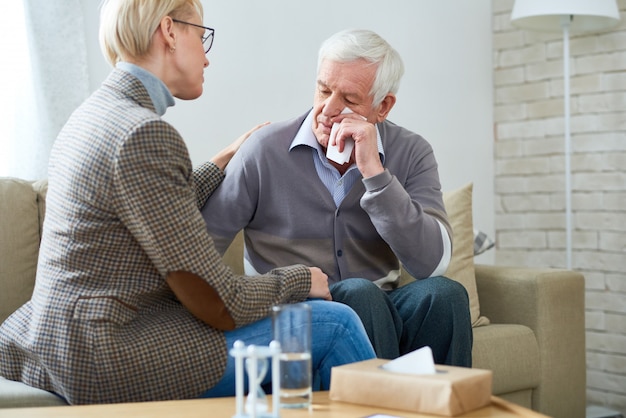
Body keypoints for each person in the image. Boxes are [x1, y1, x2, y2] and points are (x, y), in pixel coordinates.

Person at [0, 1, 375, 405]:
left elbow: (147, 208)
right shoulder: (144, 134)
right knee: (334, 324)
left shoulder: (93, 116)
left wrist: (219, 163)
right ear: (170, 31)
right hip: (106, 354)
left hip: (52, 341)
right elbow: (218, 300)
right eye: (202, 36)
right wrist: (302, 279)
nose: (207, 58)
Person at [201, 29, 473, 365]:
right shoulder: (264, 150)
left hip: (381, 303)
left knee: (444, 296)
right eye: (323, 90)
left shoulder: (412, 151)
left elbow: (433, 264)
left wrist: (376, 174)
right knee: (359, 294)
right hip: (296, 310)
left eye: (349, 99)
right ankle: (376, 412)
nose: (328, 109)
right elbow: (201, 249)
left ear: (383, 106)